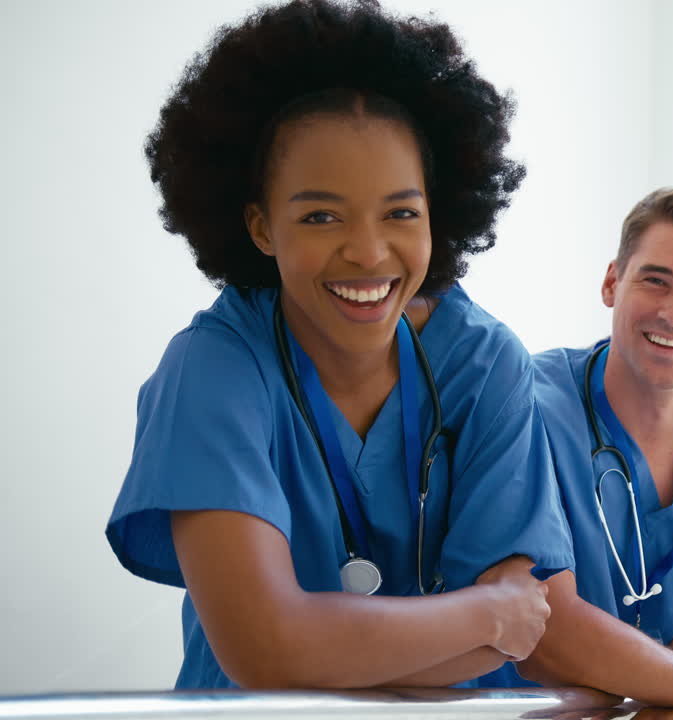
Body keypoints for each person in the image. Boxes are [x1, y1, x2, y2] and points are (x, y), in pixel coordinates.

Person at [104, 0, 572, 690]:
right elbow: (266, 651)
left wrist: (329, 645)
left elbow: (523, 630)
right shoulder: (212, 370)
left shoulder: (482, 362)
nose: (367, 250)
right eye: (321, 215)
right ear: (262, 228)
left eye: (401, 213)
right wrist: (483, 616)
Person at [474, 187, 673, 720]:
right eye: (655, 280)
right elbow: (548, 631)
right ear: (612, 282)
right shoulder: (525, 404)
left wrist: (665, 715)